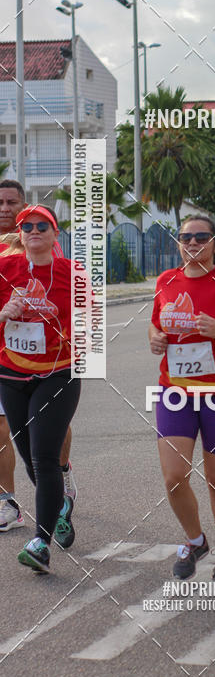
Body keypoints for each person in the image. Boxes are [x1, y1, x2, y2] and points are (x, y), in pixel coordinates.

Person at [149, 215, 215, 581]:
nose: (192, 243)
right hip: (174, 391)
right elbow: (156, 323)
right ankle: (196, 540)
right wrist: (155, 338)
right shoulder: (166, 281)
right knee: (174, 477)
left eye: (200, 237)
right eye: (185, 237)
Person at [0, 205, 82, 572]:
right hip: (11, 375)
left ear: (54, 234)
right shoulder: (5, 270)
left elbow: (90, 325)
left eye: (42, 226)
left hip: (56, 375)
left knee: (43, 457)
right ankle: (59, 505)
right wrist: (5, 313)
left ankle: (40, 543)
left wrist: (59, 323)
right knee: (30, 460)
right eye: (27, 226)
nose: (34, 231)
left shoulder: (72, 273)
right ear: (20, 234)